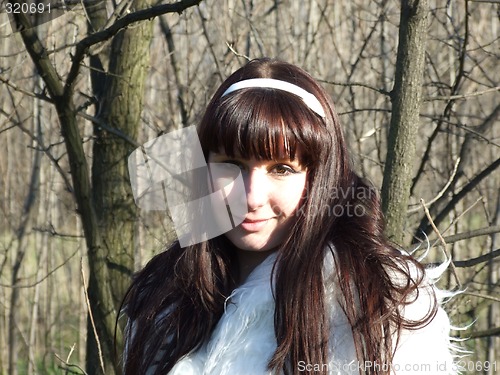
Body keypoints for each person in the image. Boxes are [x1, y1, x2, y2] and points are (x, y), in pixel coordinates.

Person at [121, 58, 459, 374]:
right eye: (232, 165)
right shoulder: (163, 296)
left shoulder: (375, 302)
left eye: (281, 169)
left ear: (318, 179)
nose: (251, 197)